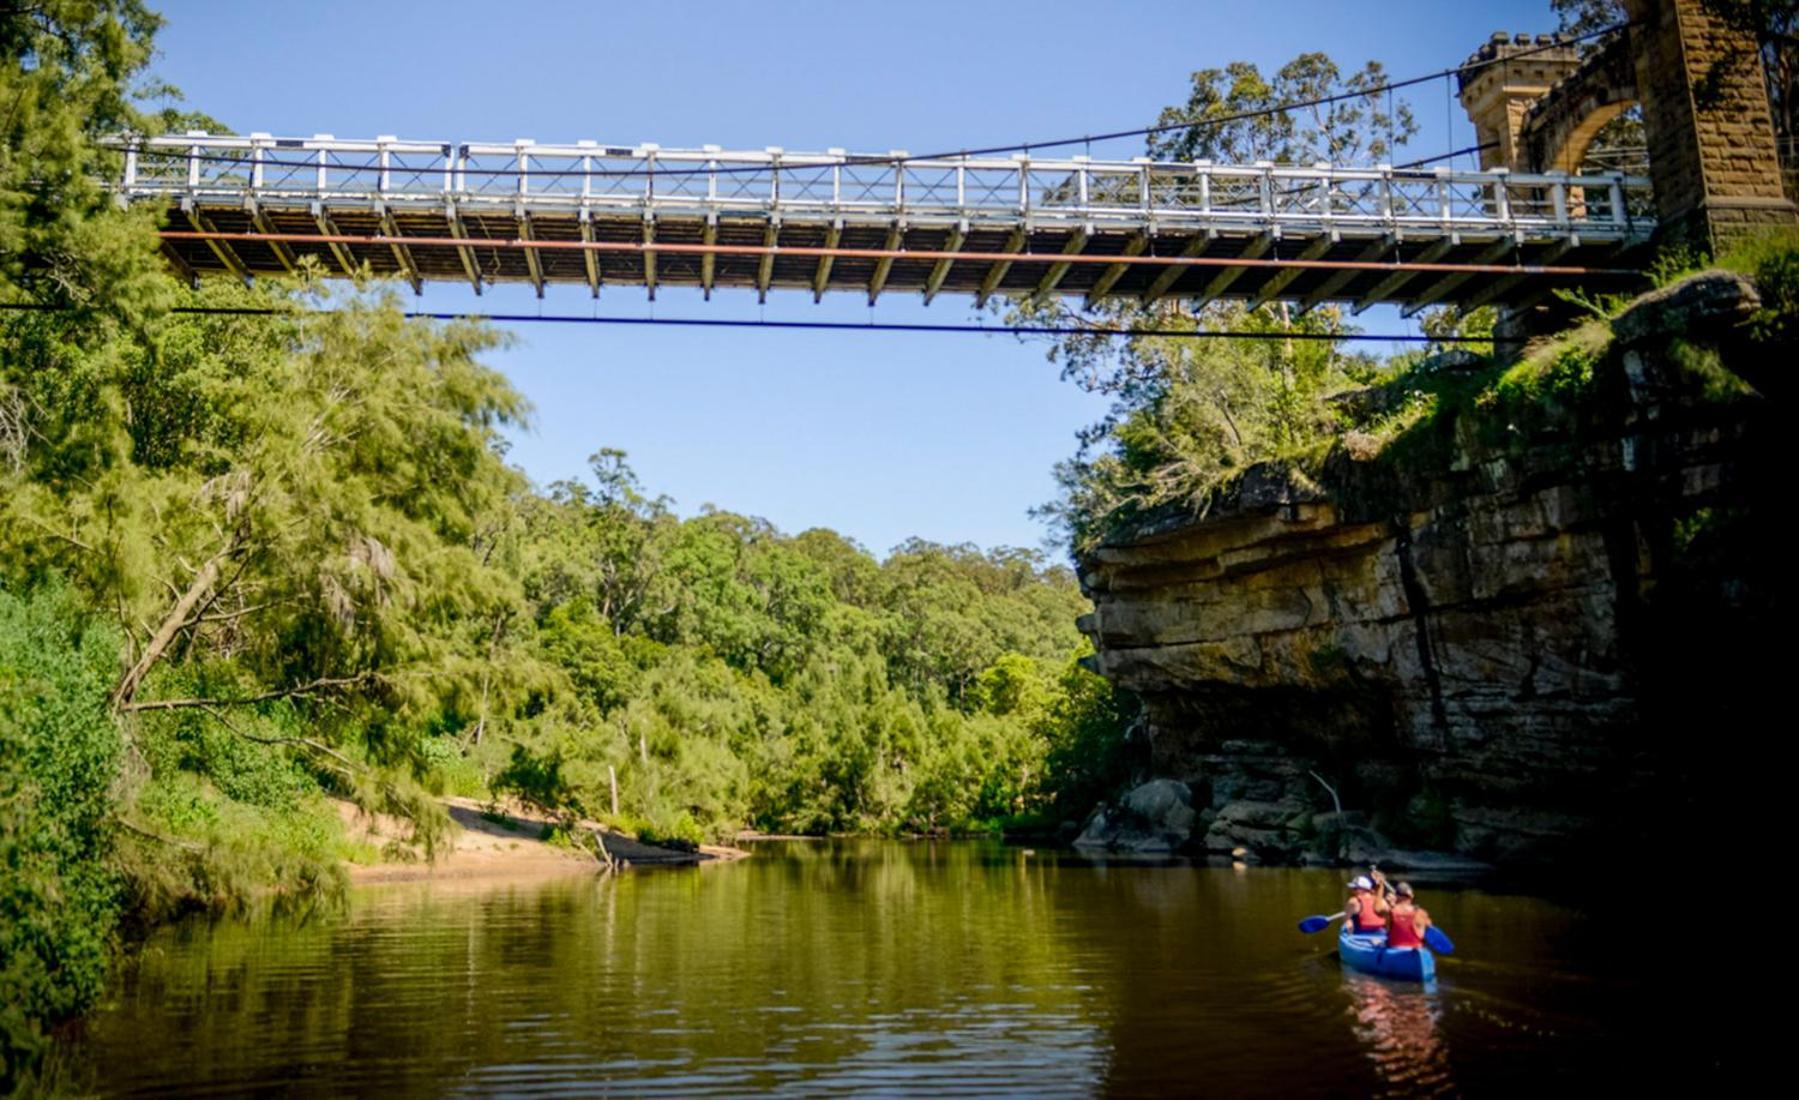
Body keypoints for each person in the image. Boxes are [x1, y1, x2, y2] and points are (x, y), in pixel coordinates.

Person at [1385, 882, 1432, 950]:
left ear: (1396, 896)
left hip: (1395, 948)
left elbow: (1387, 930)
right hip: (1415, 950)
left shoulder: (1391, 912)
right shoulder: (1421, 912)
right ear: (1412, 896)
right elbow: (1429, 929)